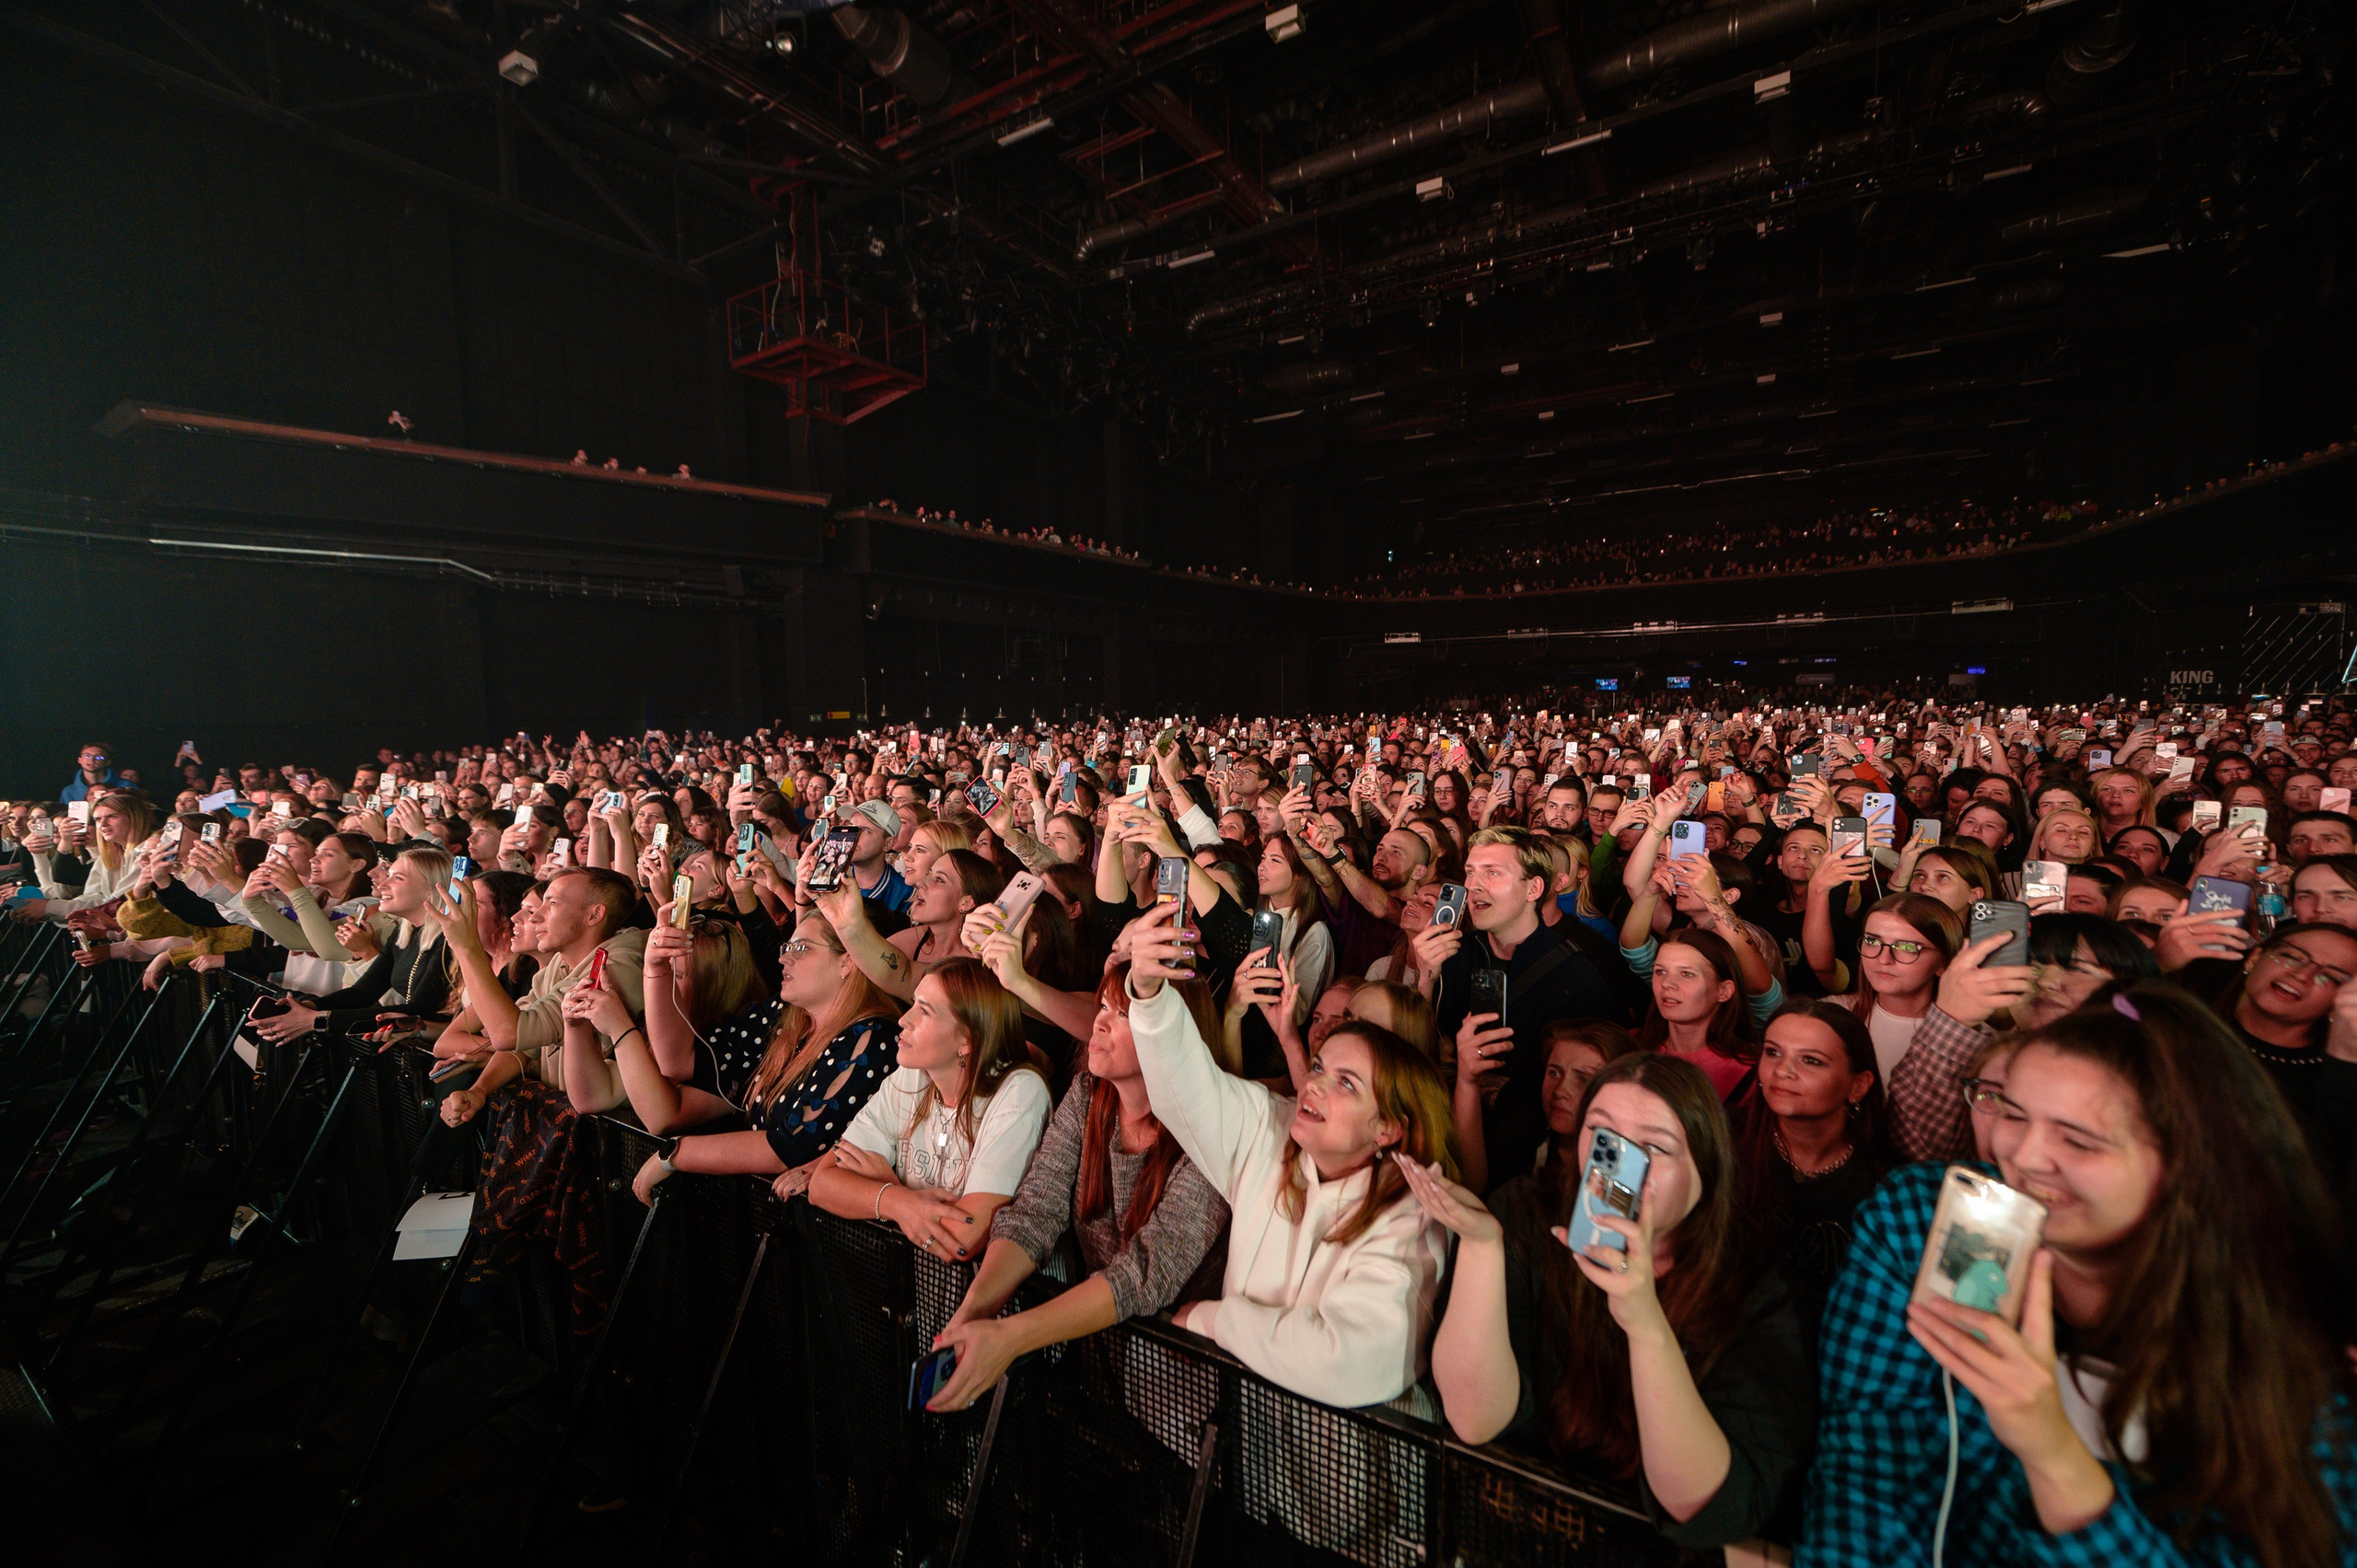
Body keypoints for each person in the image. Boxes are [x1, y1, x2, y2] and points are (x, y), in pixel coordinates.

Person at [1804, 986, 2357, 1568]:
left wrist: (2055, 1457)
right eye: (2010, 1112)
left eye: (2078, 1139)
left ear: (2188, 1162)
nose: (2024, 1157)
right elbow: (1866, 1461)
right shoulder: (1929, 1220)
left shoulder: (2275, 1333)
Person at [1400, 1053, 1815, 1551]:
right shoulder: (1528, 1214)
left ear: (1705, 1169)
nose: (1621, 1170)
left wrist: (1645, 1324)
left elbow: (1707, 1509)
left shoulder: (1756, 1288)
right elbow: (1475, 1418)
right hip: (1515, 1531)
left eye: (1654, 1148)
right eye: (1603, 1137)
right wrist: (1482, 1246)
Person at [1124, 900, 1457, 1407]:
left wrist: (1216, 1319)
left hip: (1343, 1470)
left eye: (1346, 1083)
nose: (1316, 1087)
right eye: (1319, 1068)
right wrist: (1149, 994)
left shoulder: (1414, 1211)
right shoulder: (1272, 1126)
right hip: (1247, 1442)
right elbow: (1186, 1090)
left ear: (1389, 1126)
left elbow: (1346, 1360)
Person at [920, 966, 1232, 1411]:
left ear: (1172, 1031)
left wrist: (1010, 1337)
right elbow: (1034, 1211)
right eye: (1103, 1006)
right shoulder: (1089, 1094)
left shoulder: (1211, 1129)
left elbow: (1144, 1273)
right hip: (1099, 1358)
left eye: (1121, 1014)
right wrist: (973, 1313)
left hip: (1186, 1386)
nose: (1099, 1022)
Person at [808, 959, 1052, 1263]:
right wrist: (898, 1201)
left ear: (967, 1040)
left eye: (925, 1011)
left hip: (1003, 1304)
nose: (904, 1020)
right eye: (913, 1004)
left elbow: (962, 1239)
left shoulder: (1020, 1092)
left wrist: (888, 1188)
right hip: (926, 1294)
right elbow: (822, 1184)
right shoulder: (912, 1075)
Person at [1733, 1000, 1898, 1339]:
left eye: (1811, 1060)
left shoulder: (1886, 1183)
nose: (1783, 1071)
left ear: (1858, 1085)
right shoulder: (1723, 1141)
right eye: (1773, 1053)